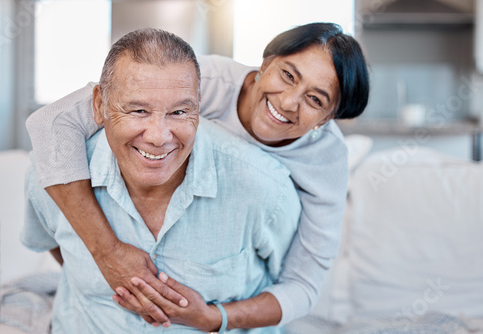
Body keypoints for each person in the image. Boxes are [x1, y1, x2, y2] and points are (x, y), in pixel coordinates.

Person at [25, 22, 369, 327]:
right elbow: (52, 123)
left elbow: (304, 283)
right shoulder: (201, 79)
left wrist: (214, 318)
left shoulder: (319, 163)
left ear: (328, 119)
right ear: (264, 64)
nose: (289, 101)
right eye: (288, 75)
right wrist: (106, 251)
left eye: (315, 99)